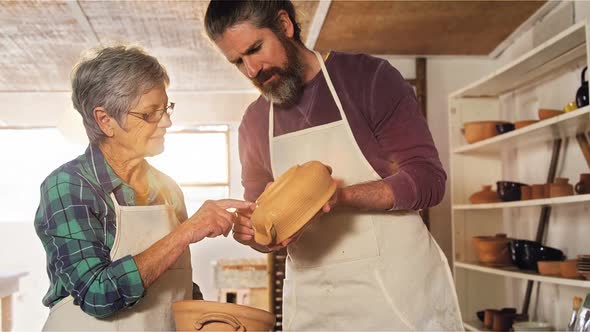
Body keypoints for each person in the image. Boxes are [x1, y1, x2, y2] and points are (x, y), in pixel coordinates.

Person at [204, 1, 463, 330]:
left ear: (285, 25)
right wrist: (250, 234)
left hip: (397, 297)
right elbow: (259, 221)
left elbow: (428, 180)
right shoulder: (255, 123)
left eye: (255, 49)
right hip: (316, 307)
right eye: (238, 61)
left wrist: (338, 196)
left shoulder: (368, 80)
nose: (252, 69)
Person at [34, 45, 253, 331]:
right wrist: (185, 233)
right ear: (105, 120)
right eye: (150, 114)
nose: (167, 122)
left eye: (166, 108)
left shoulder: (168, 189)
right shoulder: (68, 186)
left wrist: (209, 319)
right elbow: (97, 293)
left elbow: (174, 280)